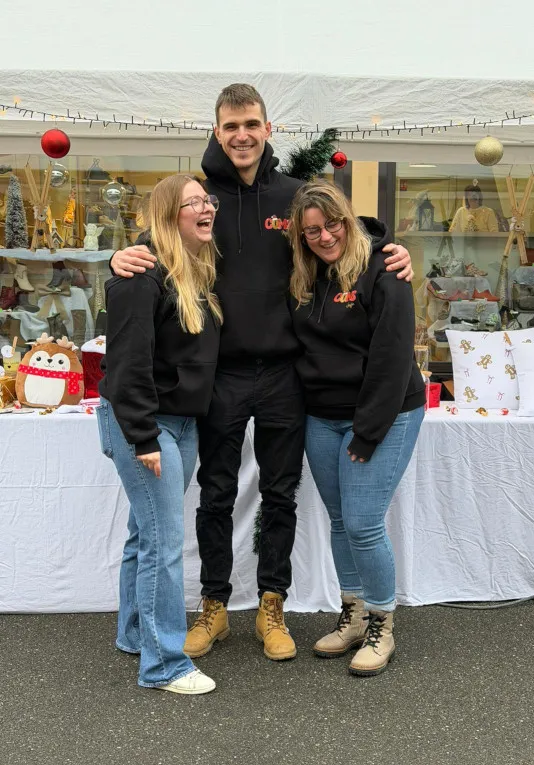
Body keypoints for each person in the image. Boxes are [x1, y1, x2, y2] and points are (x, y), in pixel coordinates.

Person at [110, 83, 413, 663]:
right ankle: (215, 606)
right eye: (231, 126)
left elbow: (341, 231)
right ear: (217, 132)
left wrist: (388, 247)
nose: (242, 135)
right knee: (216, 495)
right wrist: (118, 257)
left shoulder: (293, 194)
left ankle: (272, 605)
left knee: (279, 495)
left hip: (284, 374)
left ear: (268, 128)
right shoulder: (202, 198)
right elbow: (158, 243)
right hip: (219, 374)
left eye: (251, 124)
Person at [287, 180, 425, 677]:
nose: (324, 237)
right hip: (321, 416)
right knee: (341, 520)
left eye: (332, 225)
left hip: (384, 413)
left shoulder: (384, 269)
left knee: (364, 523)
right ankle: (354, 614)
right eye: (312, 231)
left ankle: (382, 625)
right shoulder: (303, 275)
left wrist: (367, 433)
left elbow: (392, 358)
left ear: (347, 220)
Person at [97, 174, 222, 694]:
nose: (206, 207)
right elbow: (127, 364)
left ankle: (135, 636)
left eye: (207, 200)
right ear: (170, 215)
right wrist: (144, 436)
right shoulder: (140, 275)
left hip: (179, 421)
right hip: (145, 424)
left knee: (143, 533)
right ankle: (164, 665)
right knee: (163, 544)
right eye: (193, 202)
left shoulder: (193, 268)